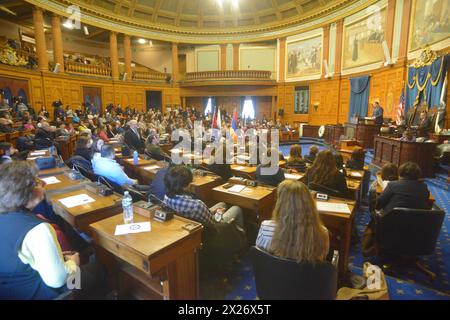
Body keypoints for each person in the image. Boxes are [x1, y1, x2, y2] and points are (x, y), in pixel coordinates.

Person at [0, 161, 79, 299]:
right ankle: (75, 294)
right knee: (75, 272)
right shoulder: (38, 230)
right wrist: (73, 263)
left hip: (8, 289)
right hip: (36, 294)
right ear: (24, 193)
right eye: (36, 182)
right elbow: (57, 280)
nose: (43, 183)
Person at [256, 180, 329, 262]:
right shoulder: (322, 233)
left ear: (280, 203)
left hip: (274, 273)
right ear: (309, 202)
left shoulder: (265, 227)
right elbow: (322, 258)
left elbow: (261, 258)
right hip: (306, 274)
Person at [164, 165, 244, 231]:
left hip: (189, 225)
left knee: (222, 204)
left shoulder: (167, 197)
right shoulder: (197, 205)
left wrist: (214, 212)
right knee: (236, 208)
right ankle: (238, 235)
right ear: (186, 185)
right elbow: (214, 223)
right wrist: (218, 213)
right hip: (213, 231)